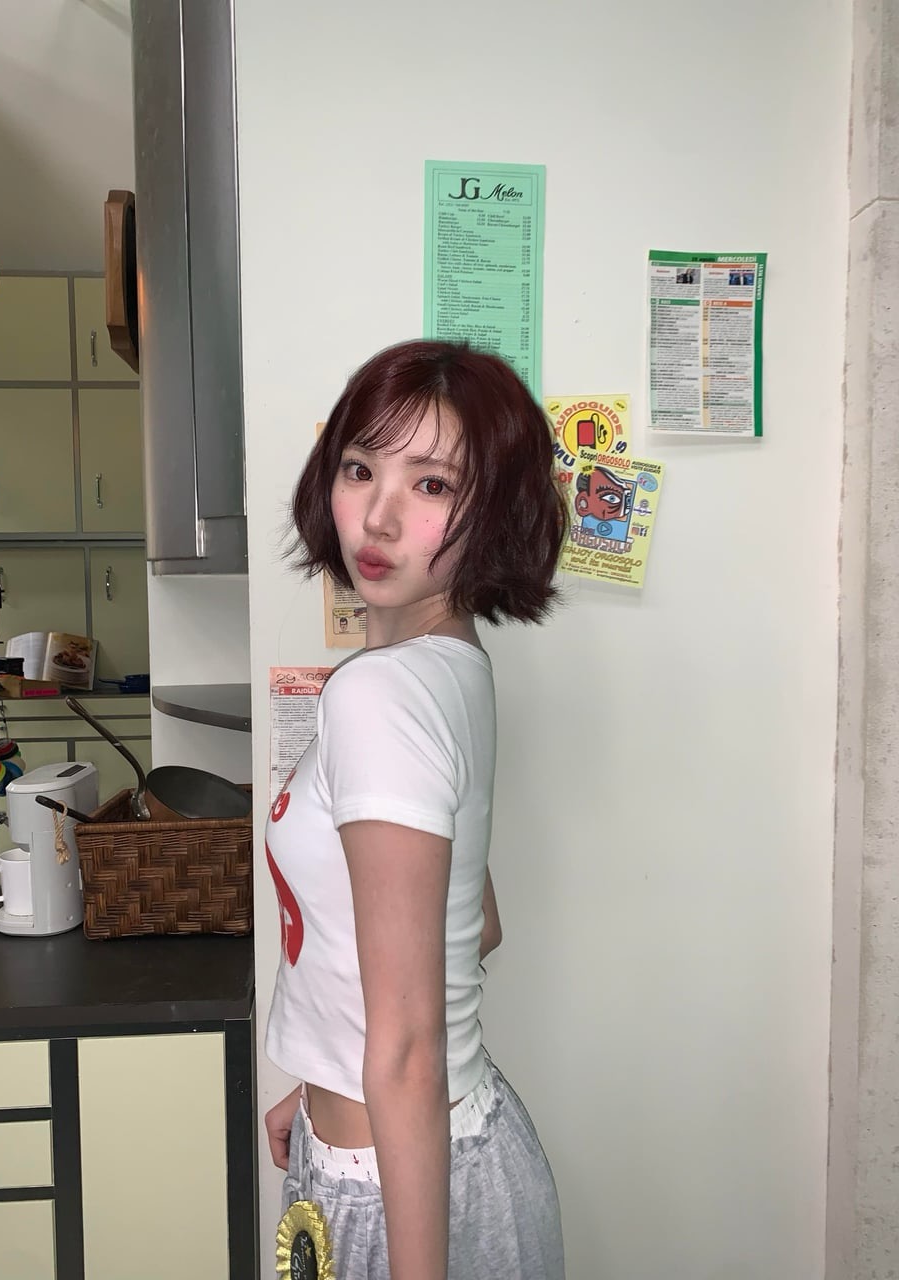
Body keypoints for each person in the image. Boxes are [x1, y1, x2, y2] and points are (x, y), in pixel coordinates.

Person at [263, 339, 567, 1280]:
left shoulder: (380, 695)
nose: (379, 516)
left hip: (397, 1191)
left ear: (497, 512)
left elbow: (404, 1052)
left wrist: (360, 1089)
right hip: (421, 1150)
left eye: (432, 485)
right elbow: (477, 924)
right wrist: (324, 1082)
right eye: (360, 468)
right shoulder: (452, 667)